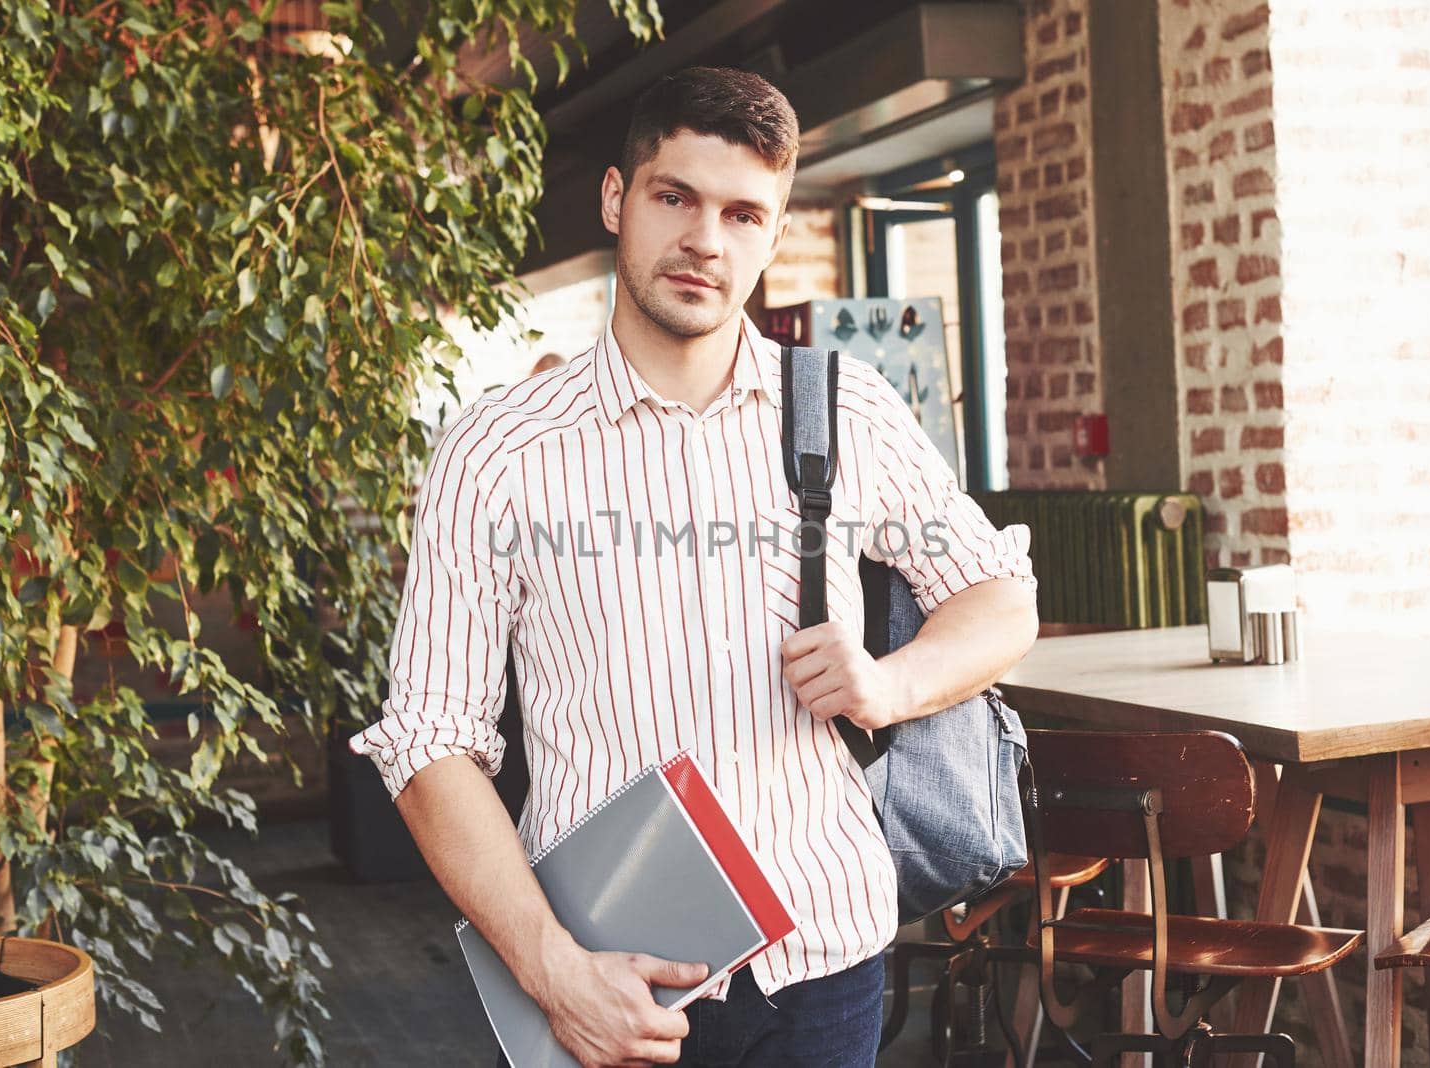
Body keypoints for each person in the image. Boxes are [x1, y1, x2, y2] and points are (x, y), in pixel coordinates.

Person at [349, 66, 1038, 1068]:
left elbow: (997, 597)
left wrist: (890, 683)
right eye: (675, 197)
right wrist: (551, 971)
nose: (705, 241)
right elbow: (428, 746)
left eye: (743, 214)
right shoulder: (497, 451)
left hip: (824, 964)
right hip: (602, 976)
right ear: (617, 199)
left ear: (772, 228)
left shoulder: (845, 410)